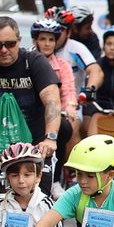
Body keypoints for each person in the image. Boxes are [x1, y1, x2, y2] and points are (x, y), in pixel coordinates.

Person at [0, 17, 64, 203]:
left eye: (9, 44)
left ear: (19, 40)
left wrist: (50, 138)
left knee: (38, 195)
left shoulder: (34, 62)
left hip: (33, 144)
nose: (3, 50)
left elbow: (52, 100)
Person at [31, 18, 81, 147]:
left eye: (51, 39)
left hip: (53, 113)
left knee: (65, 128)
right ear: (35, 41)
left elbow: (69, 90)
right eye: (42, 39)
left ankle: (58, 167)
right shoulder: (25, 60)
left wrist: (70, 106)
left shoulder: (63, 65)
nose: (47, 44)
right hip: (28, 115)